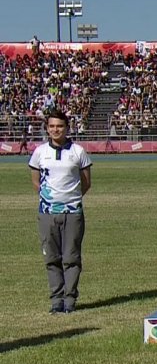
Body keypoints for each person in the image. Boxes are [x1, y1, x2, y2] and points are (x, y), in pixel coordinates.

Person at [28, 110, 92, 314]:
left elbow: (86, 183)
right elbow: (35, 181)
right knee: (51, 257)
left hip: (73, 212)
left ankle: (70, 299)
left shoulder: (78, 152)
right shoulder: (40, 152)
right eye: (52, 126)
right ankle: (56, 299)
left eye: (60, 126)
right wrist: (50, 200)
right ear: (47, 128)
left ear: (67, 128)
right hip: (47, 213)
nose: (56, 130)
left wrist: (70, 199)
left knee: (71, 257)